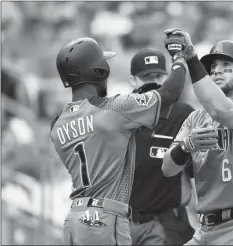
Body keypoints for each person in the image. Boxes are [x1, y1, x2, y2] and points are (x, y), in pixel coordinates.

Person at [50, 37, 187, 245]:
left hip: (74, 219)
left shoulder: (57, 124)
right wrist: (179, 57)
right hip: (104, 219)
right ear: (99, 71)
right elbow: (170, 93)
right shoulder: (114, 109)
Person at [161, 29, 233, 245]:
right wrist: (186, 146)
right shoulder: (196, 118)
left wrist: (192, 58)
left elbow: (221, 111)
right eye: (212, 68)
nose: (217, 72)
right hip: (204, 231)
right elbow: (167, 168)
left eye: (226, 67)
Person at [127, 47, 197, 245]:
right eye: (146, 76)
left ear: (167, 77)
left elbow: (200, 173)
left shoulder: (183, 115)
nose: (154, 81)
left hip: (165, 224)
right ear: (133, 80)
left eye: (158, 75)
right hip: (123, 224)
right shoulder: (122, 116)